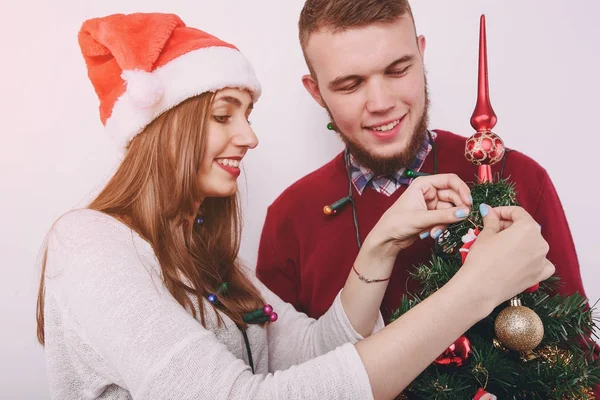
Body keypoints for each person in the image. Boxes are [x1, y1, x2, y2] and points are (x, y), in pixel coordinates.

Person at [35, 12, 552, 400]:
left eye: (249, 114)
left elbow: (309, 352)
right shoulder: (86, 243)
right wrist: (475, 291)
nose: (249, 136)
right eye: (223, 115)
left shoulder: (206, 259)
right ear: (163, 125)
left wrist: (381, 243)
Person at [256, 0, 590, 323]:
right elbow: (283, 373)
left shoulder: (517, 176)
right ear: (316, 92)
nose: (381, 103)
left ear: (421, 53)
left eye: (398, 70)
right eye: (351, 85)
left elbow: (581, 362)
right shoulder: (288, 219)